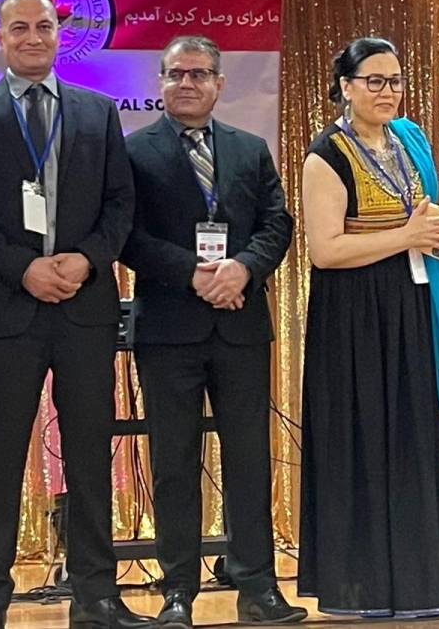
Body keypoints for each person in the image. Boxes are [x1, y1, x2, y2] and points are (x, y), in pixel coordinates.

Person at [0, 0, 149, 629]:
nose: (33, 38)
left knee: (89, 455)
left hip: (85, 307)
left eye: (44, 27)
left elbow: (120, 203)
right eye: (19, 28)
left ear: (61, 36)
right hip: (10, 308)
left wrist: (87, 260)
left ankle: (96, 595)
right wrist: (23, 268)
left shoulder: (96, 111)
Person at [120, 35, 304, 628]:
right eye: (176, 74)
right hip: (167, 328)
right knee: (174, 465)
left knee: (249, 461)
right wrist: (192, 274)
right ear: (160, 82)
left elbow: (278, 224)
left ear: (219, 84)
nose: (187, 83)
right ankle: (178, 591)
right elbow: (125, 235)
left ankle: (258, 588)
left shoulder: (251, 149)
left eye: (199, 74)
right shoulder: (132, 152)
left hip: (239, 325)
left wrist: (243, 269)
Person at [298, 36, 439, 618]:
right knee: (370, 439)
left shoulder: (409, 140)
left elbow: (421, 218)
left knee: (419, 435)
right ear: (345, 87)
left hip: (413, 305)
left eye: (395, 80)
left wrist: (436, 235)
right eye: (373, 81)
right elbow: (325, 250)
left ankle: (430, 582)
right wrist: (408, 236)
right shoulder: (326, 153)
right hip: (356, 318)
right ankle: (371, 587)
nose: (387, 91)